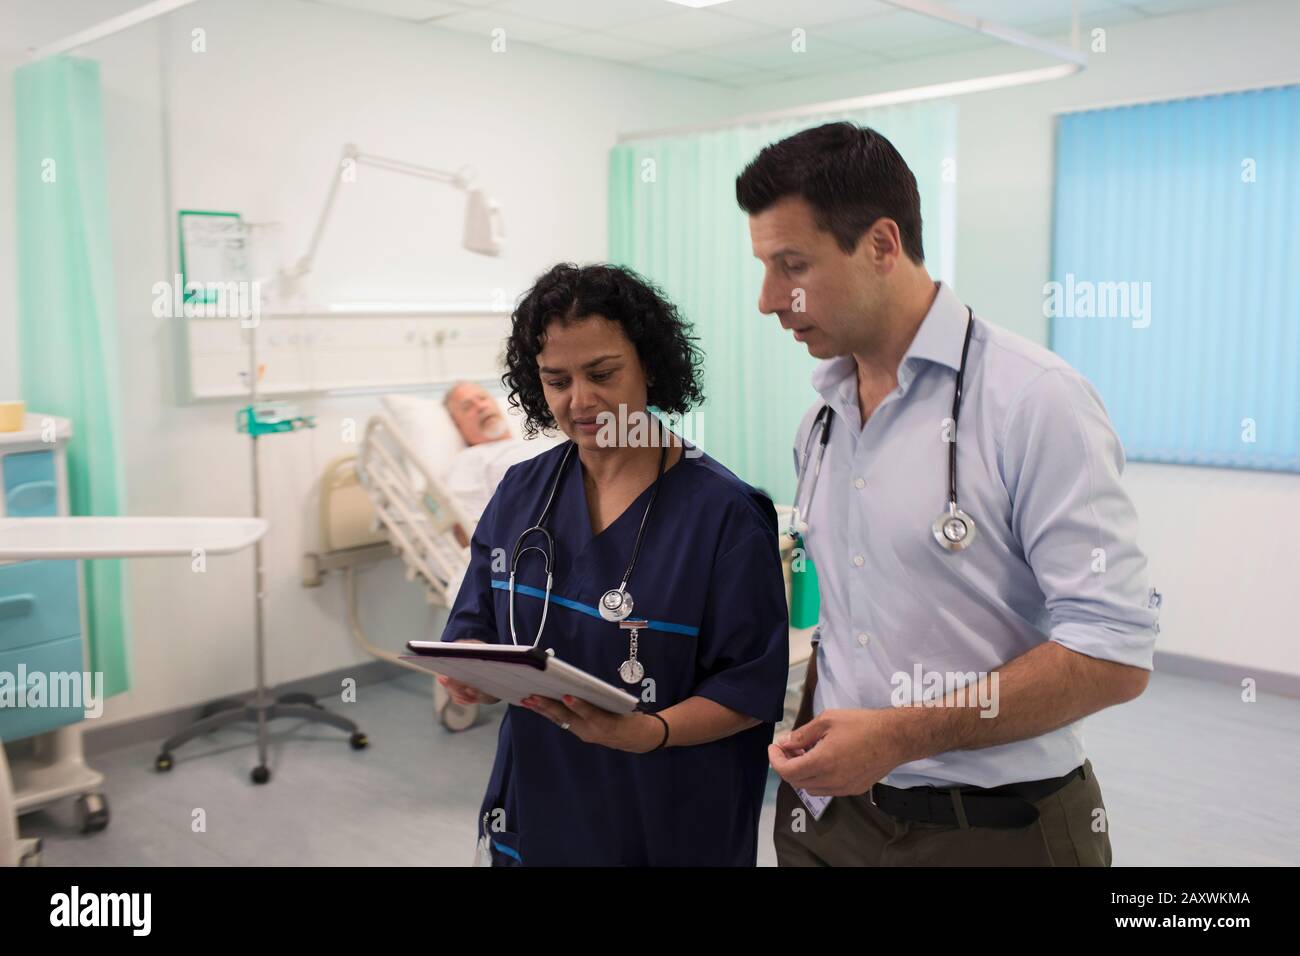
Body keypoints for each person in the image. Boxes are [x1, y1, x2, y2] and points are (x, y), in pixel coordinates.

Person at [738, 122, 1160, 866]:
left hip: (994, 831)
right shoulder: (823, 422)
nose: (770, 299)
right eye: (765, 268)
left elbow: (1113, 654)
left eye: (792, 264)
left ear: (881, 245)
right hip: (832, 820)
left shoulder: (1035, 401)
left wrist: (901, 734)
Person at [438, 262, 789, 866]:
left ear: (649, 364)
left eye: (602, 373)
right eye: (556, 380)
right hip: (536, 812)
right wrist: (469, 672)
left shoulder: (725, 516)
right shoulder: (520, 493)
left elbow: (750, 689)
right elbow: (476, 624)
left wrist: (651, 732)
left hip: (667, 822)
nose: (582, 401)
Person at [441, 381, 558, 520]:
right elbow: (467, 527)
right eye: (467, 407)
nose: (480, 406)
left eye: (483, 398)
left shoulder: (544, 440)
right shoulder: (470, 460)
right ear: (457, 425)